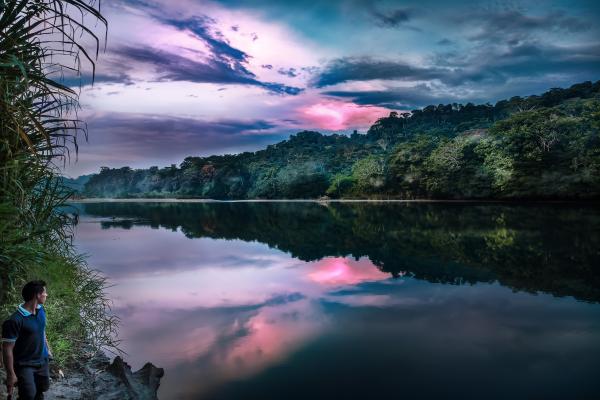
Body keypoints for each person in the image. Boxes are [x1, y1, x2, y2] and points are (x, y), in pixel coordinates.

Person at [2, 280, 53, 400]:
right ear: (37, 295)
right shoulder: (14, 321)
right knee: (28, 395)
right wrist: (10, 374)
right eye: (44, 292)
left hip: (42, 361)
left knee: (42, 389)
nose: (46, 295)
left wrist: (48, 349)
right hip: (24, 364)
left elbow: (42, 331)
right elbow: (7, 349)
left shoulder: (41, 310)